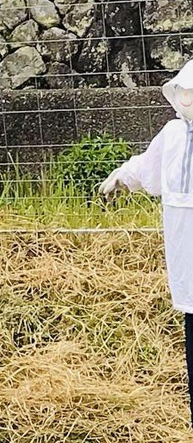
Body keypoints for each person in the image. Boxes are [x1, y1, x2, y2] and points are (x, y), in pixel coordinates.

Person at [99, 60, 193, 427]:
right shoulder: (172, 135)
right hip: (186, 265)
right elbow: (146, 164)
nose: (188, 99)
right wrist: (123, 177)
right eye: (184, 93)